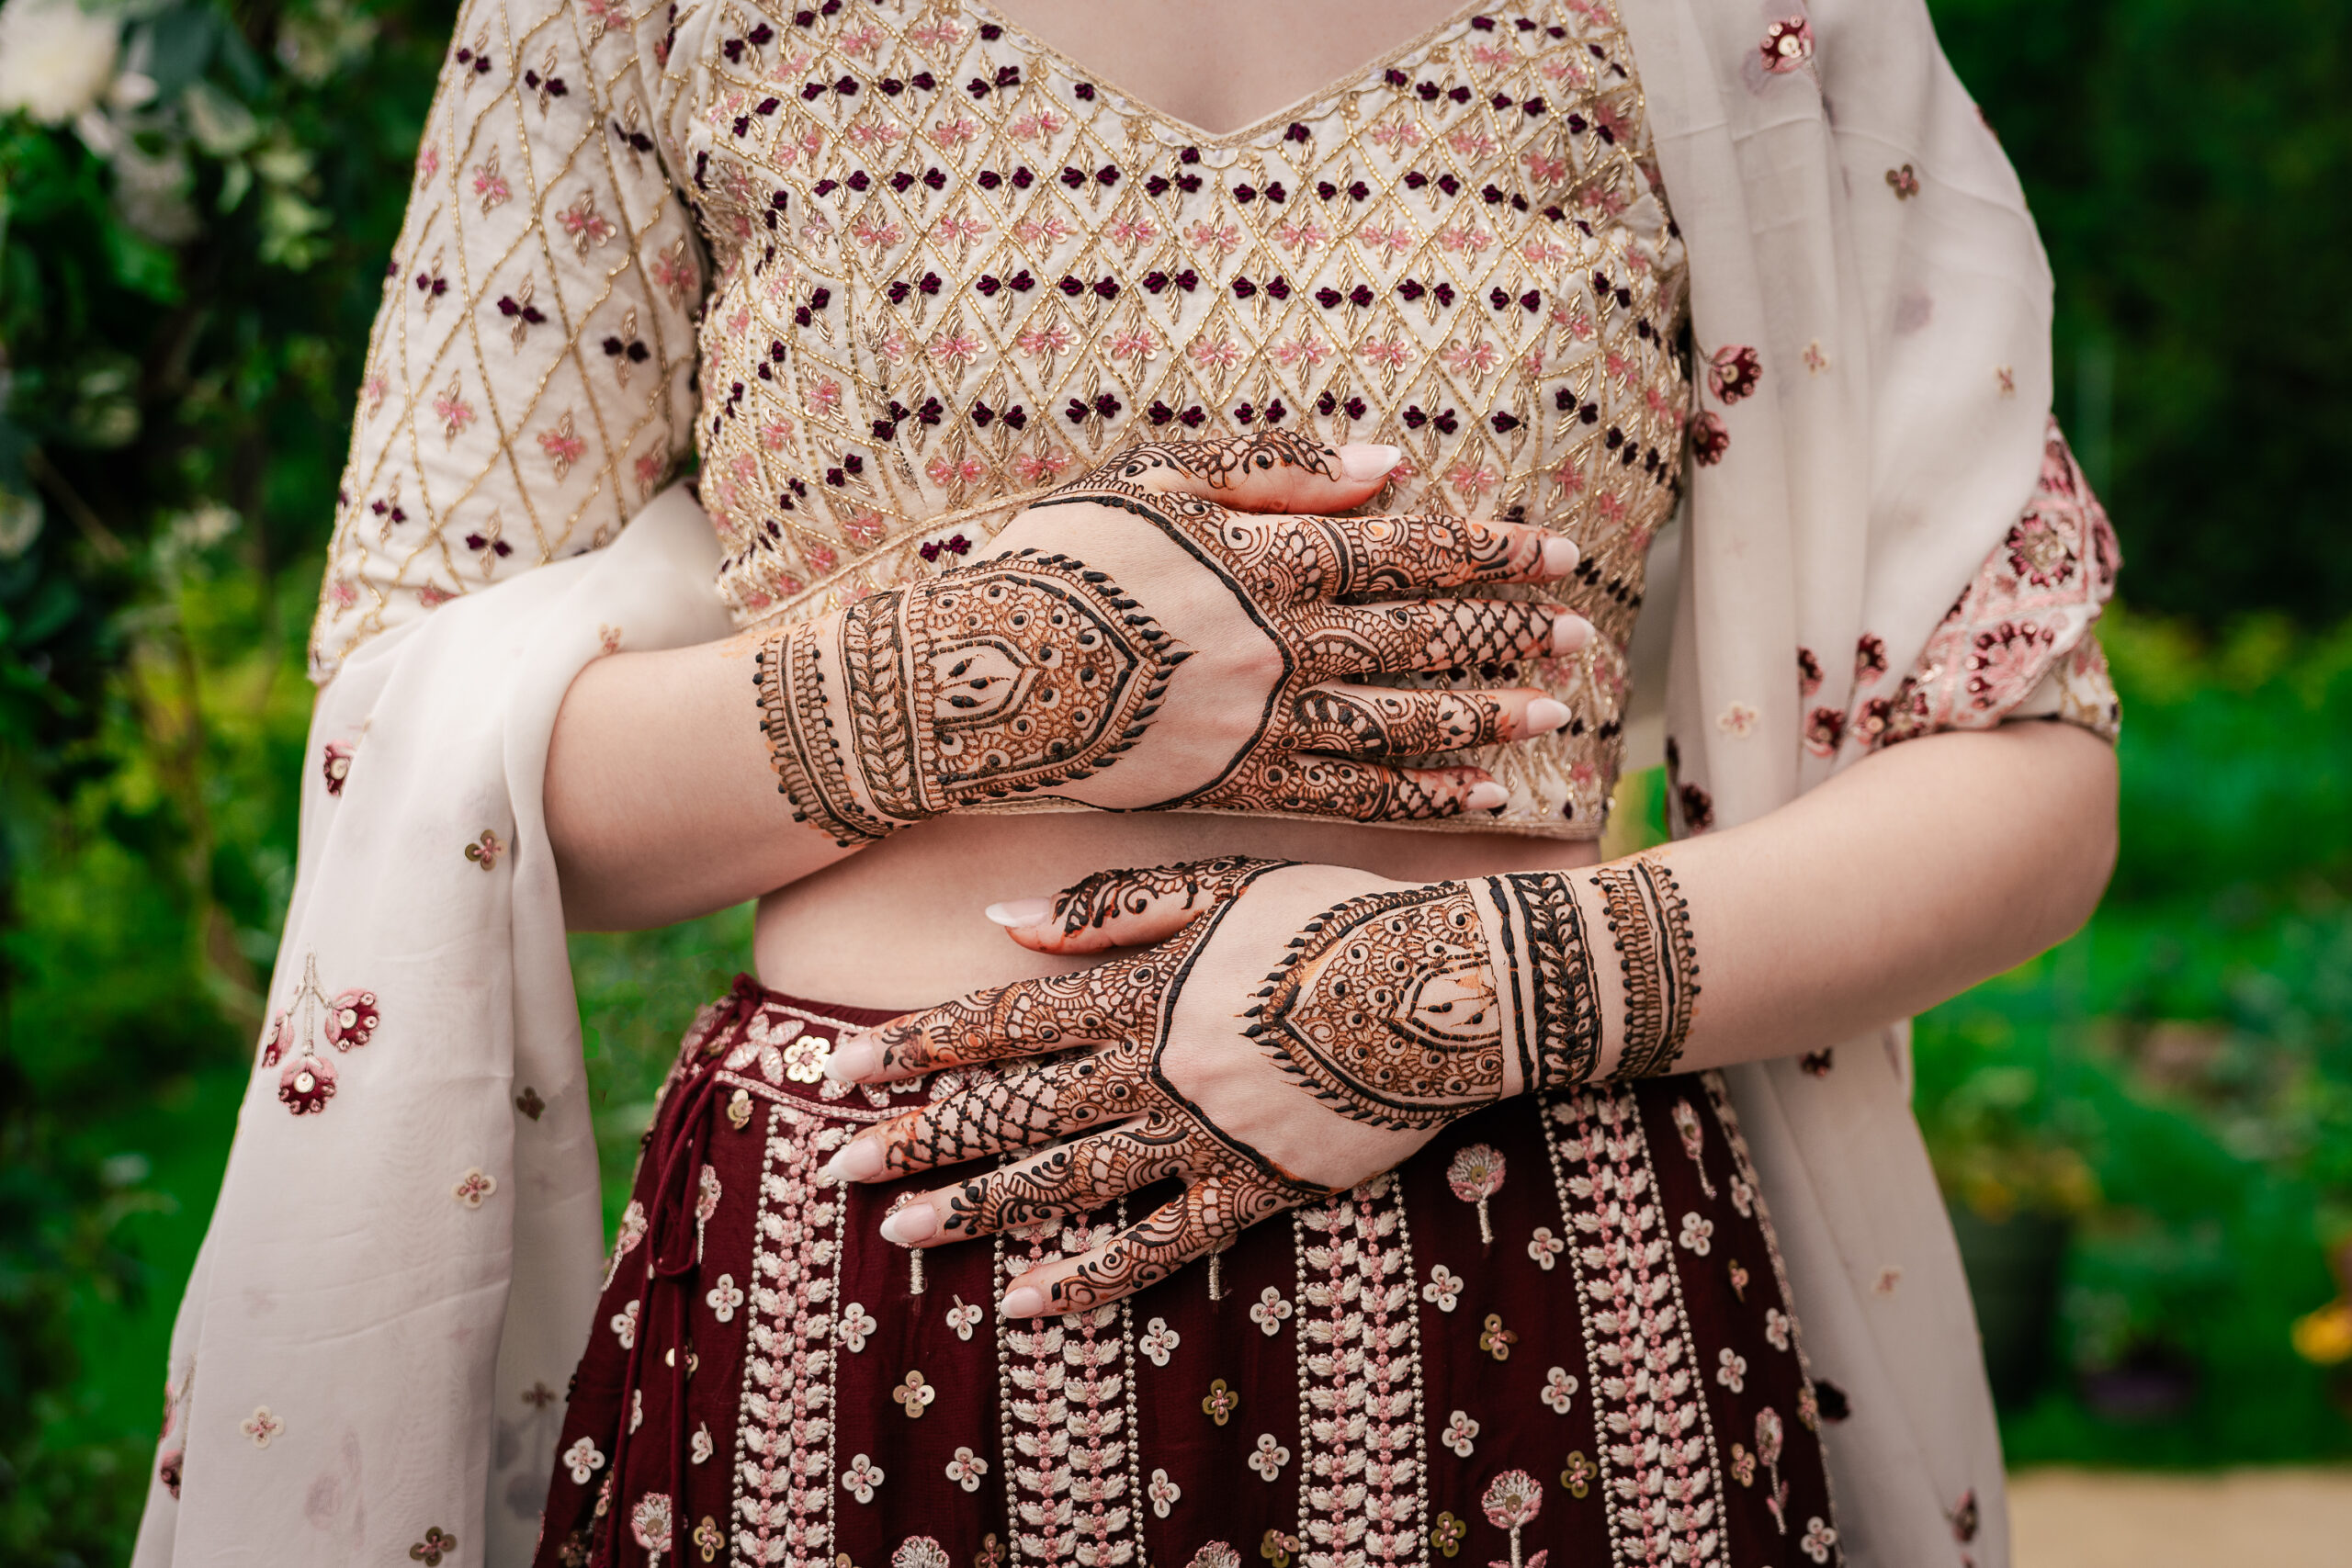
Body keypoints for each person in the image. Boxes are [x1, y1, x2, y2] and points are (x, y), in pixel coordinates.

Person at [133, 1, 2121, 1565]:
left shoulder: (1753, 12)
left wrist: (1444, 996)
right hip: (862, 1306)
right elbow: (404, 749)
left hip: (1531, 1295)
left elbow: (2018, 754)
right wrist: (974, 682)